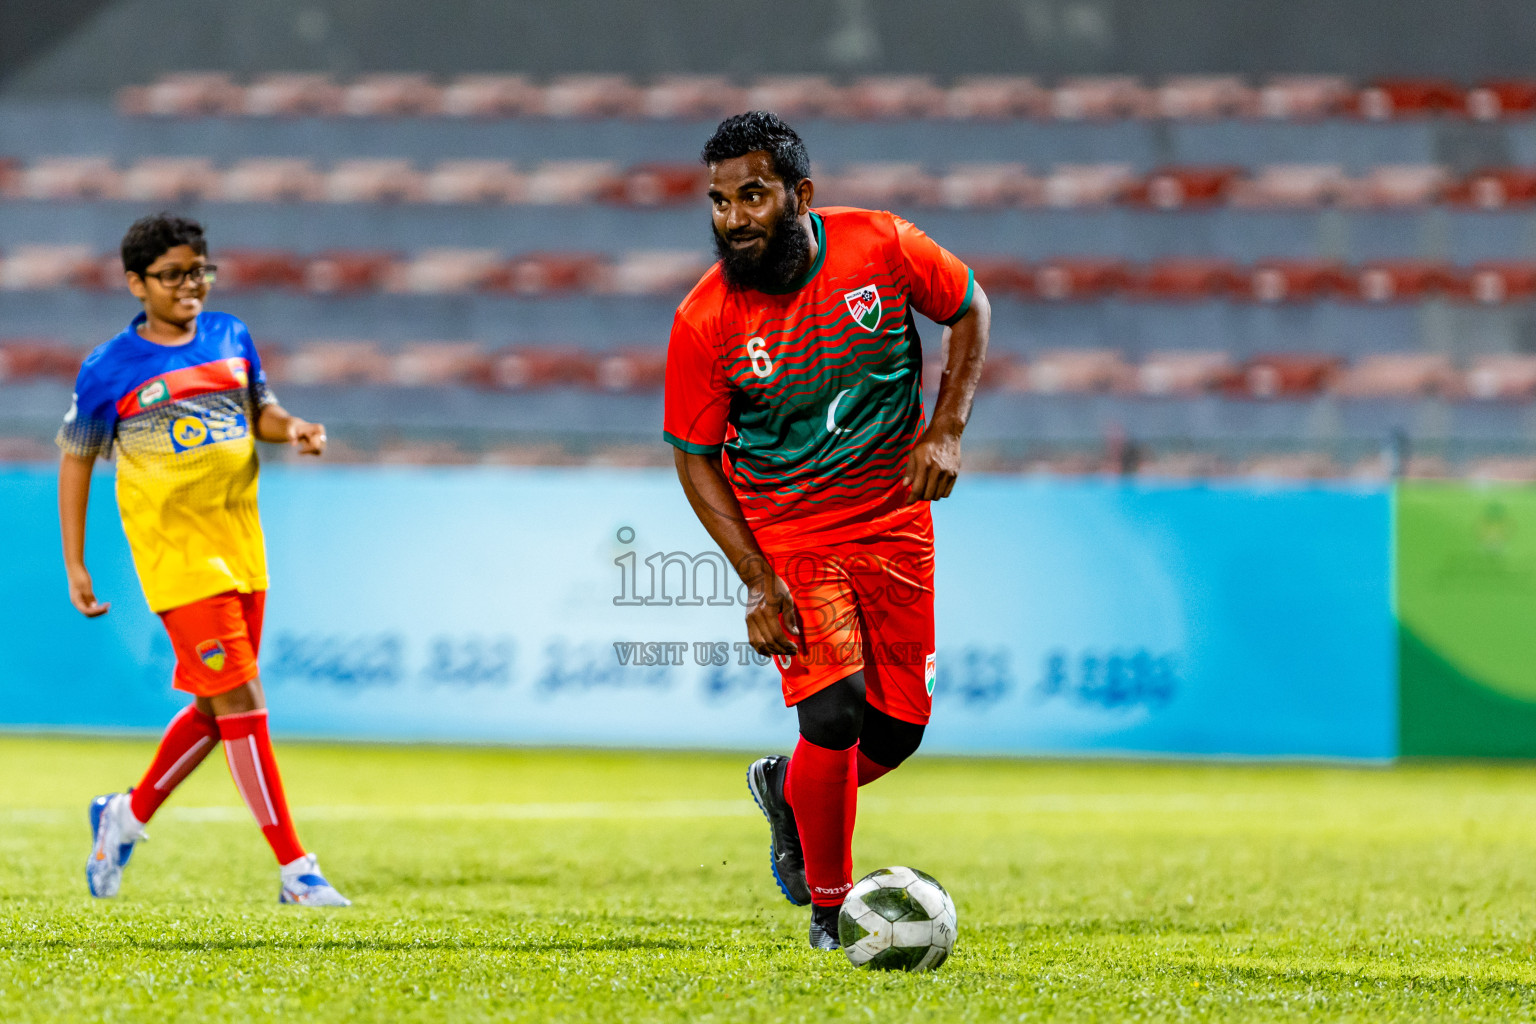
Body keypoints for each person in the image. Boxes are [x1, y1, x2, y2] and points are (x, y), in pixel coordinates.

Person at [664, 113, 989, 949]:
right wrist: (757, 581)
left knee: (897, 731)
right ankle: (830, 908)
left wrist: (946, 429)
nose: (733, 218)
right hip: (792, 535)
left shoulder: (881, 248)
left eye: (752, 195)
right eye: (719, 201)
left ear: (800, 196)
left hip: (895, 523)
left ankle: (785, 788)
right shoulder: (704, 321)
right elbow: (696, 460)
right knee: (835, 712)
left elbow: (970, 306)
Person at [59, 212, 349, 907]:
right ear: (136, 284)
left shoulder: (230, 335)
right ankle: (296, 869)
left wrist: (298, 427)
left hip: (243, 548)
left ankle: (123, 817)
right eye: (172, 275)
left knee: (219, 709)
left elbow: (262, 413)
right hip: (177, 558)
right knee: (244, 698)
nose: (190, 285)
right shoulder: (109, 368)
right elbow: (76, 462)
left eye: (198, 270)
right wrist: (76, 563)